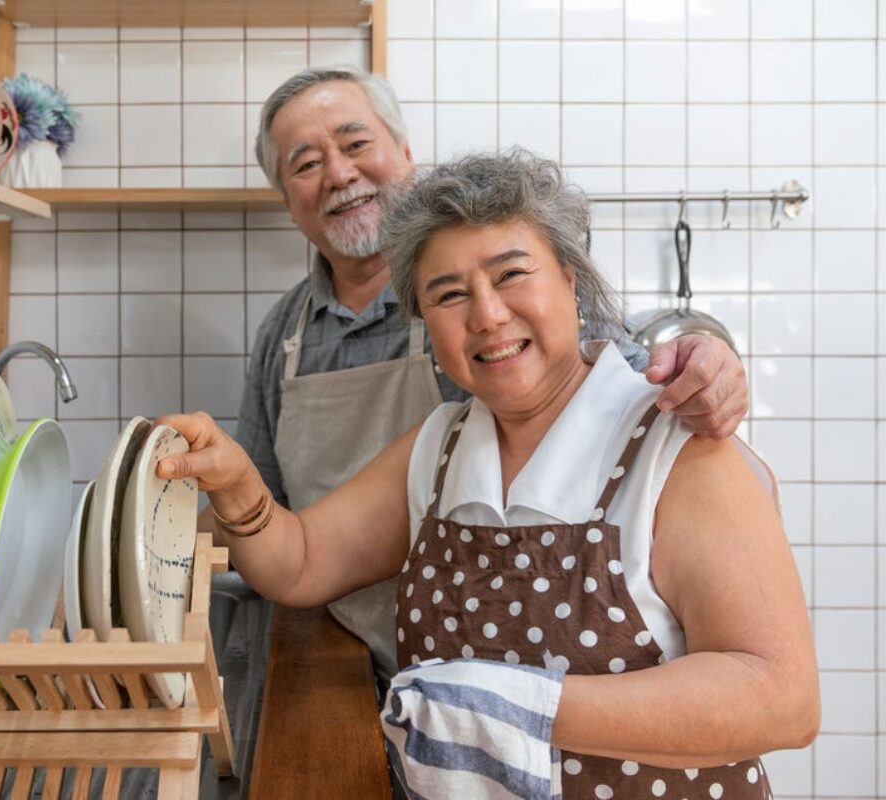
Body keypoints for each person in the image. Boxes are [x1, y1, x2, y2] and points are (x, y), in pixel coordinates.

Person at [162, 150, 817, 798]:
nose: (487, 315)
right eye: (448, 295)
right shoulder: (440, 451)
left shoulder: (676, 447)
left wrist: (512, 708)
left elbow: (781, 698)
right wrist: (239, 488)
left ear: (568, 277)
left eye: (510, 275)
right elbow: (299, 563)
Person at [229, 66, 750, 678]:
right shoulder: (284, 334)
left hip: (485, 658)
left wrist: (706, 368)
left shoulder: (505, 311)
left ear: (404, 154)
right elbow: (277, 524)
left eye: (355, 143)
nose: (340, 174)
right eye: (306, 163)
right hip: (339, 659)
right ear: (287, 200)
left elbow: (628, 388)